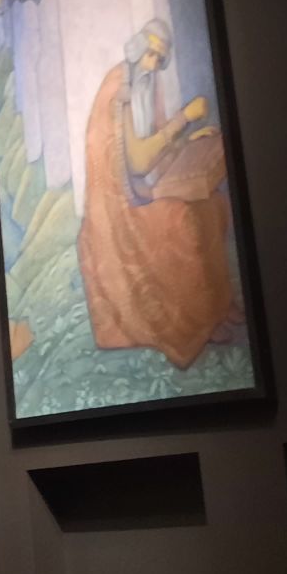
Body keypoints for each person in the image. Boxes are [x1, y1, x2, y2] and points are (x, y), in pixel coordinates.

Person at [76, 18, 239, 369]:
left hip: (144, 188)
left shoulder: (147, 84)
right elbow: (137, 160)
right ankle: (199, 321)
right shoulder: (119, 93)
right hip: (121, 212)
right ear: (137, 50)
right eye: (150, 55)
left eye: (159, 58)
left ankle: (217, 307)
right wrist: (184, 118)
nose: (152, 64)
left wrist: (186, 140)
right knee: (184, 219)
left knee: (215, 205)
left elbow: (157, 142)